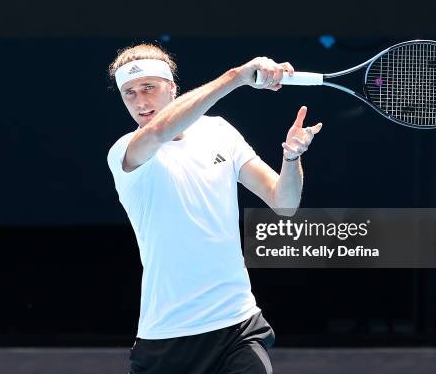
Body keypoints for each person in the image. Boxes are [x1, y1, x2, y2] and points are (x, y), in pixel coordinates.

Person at [107, 43, 322, 374]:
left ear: (173, 89)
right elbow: (160, 131)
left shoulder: (219, 131)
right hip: (167, 340)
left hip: (237, 325)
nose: (140, 101)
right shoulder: (125, 152)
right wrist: (237, 77)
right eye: (129, 93)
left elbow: (284, 203)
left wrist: (291, 158)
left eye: (148, 88)